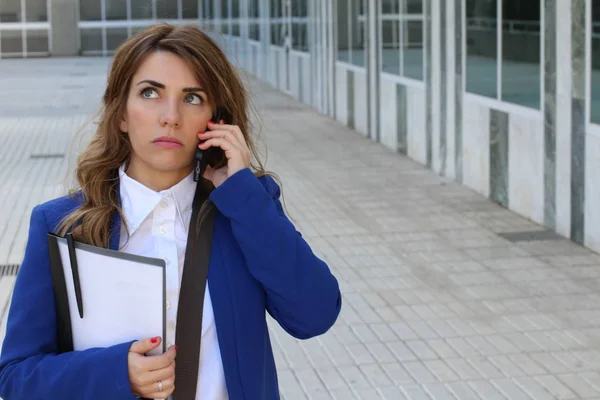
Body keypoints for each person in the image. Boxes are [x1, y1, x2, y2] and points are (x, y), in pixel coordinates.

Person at [0, 23, 341, 400]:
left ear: (216, 120)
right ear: (121, 115)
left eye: (192, 98)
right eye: (150, 93)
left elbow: (315, 315)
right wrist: (116, 374)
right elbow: (15, 378)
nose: (171, 116)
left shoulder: (244, 210)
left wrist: (245, 197)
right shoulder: (62, 225)